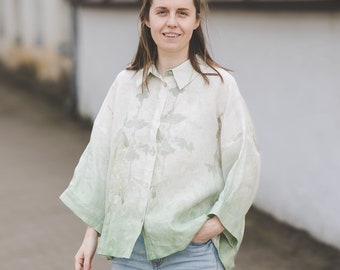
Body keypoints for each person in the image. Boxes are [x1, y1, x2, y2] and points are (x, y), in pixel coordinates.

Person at [60, 0, 260, 269]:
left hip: (193, 253)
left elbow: (245, 162)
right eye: (162, 12)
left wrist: (216, 224)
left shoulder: (219, 86)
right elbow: (101, 157)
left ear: (196, 21)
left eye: (182, 13)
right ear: (147, 19)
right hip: (129, 252)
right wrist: (90, 233)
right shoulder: (125, 85)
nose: (172, 22)